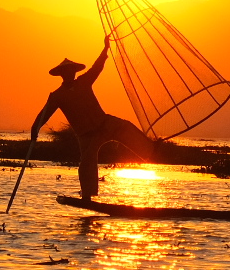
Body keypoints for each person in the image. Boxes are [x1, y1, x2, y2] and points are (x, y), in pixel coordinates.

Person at [30, 36, 154, 199]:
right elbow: (44, 114)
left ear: (75, 72)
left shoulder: (84, 81)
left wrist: (105, 49)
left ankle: (151, 152)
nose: (70, 74)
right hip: (86, 136)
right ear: (61, 74)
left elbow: (97, 68)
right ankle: (88, 196)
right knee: (86, 164)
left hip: (105, 123)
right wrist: (35, 128)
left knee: (127, 128)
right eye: (67, 72)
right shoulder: (57, 96)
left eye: (72, 71)